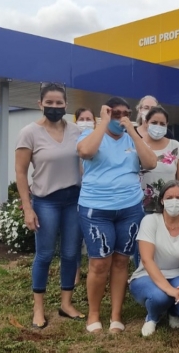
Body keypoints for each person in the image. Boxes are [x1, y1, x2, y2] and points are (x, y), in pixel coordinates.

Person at [77, 96, 157, 333]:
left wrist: (133, 132)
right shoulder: (91, 136)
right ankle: (93, 314)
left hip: (129, 208)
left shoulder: (133, 138)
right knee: (100, 263)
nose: (121, 117)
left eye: (126, 113)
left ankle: (116, 315)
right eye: (116, 113)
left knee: (122, 261)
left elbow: (151, 162)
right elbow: (86, 151)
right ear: (106, 114)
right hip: (96, 209)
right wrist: (102, 122)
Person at [15, 82, 84, 329]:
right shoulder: (29, 133)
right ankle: (38, 308)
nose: (54, 107)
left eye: (59, 103)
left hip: (73, 199)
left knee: (70, 254)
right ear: (40, 104)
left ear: (66, 105)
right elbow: (21, 173)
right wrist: (28, 207)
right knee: (44, 254)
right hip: (46, 201)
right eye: (50, 103)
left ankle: (66, 304)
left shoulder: (76, 131)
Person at [129, 180, 179, 337]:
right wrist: (171, 290)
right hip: (146, 275)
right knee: (160, 297)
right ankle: (153, 316)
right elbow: (147, 260)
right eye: (170, 197)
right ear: (162, 201)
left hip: (178, 274)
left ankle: (172, 310)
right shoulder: (150, 221)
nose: (175, 201)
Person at [140, 106, 179, 214]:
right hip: (140, 206)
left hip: (169, 206)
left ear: (167, 125)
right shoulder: (138, 145)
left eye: (162, 124)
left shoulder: (176, 146)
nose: (158, 126)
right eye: (154, 122)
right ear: (146, 122)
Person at [73, 108, 96, 285]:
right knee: (74, 236)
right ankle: (75, 273)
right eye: (82, 119)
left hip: (92, 197)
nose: (86, 122)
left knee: (91, 237)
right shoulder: (69, 140)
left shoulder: (98, 141)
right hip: (72, 193)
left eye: (89, 119)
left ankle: (92, 271)